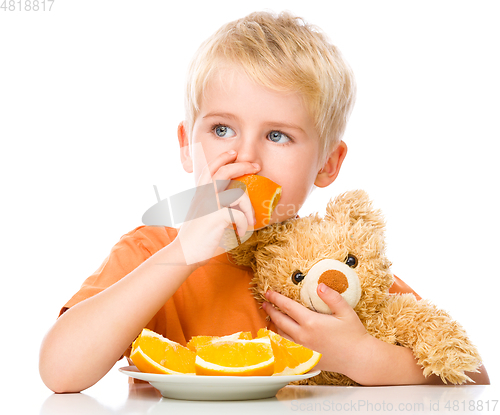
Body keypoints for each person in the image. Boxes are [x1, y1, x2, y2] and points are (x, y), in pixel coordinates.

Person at [39, 11, 489, 393]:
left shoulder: (336, 265)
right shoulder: (151, 250)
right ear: (185, 144)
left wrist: (362, 357)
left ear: (328, 164)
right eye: (221, 130)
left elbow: (471, 374)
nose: (248, 158)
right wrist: (183, 252)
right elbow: (60, 372)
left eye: (277, 136)